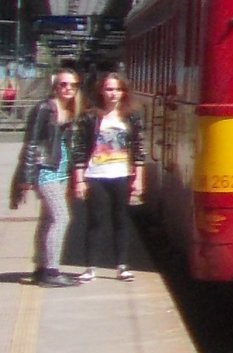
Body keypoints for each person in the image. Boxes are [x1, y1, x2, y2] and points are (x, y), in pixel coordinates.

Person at [73, 71, 141, 281]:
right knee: (96, 221)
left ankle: (122, 266)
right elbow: (80, 147)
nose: (114, 94)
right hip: (96, 174)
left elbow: (139, 149)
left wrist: (138, 179)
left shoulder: (131, 116)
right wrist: (79, 179)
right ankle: (90, 267)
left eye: (118, 89)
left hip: (121, 174)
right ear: (101, 91)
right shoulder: (90, 116)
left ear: (124, 92)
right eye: (109, 89)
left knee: (121, 220)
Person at [18, 66, 81, 286]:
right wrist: (26, 176)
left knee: (47, 220)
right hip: (46, 171)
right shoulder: (45, 108)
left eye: (73, 85)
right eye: (63, 84)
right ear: (55, 86)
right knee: (61, 218)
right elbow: (32, 142)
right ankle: (52, 271)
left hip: (60, 171)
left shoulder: (68, 109)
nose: (68, 88)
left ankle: (41, 268)